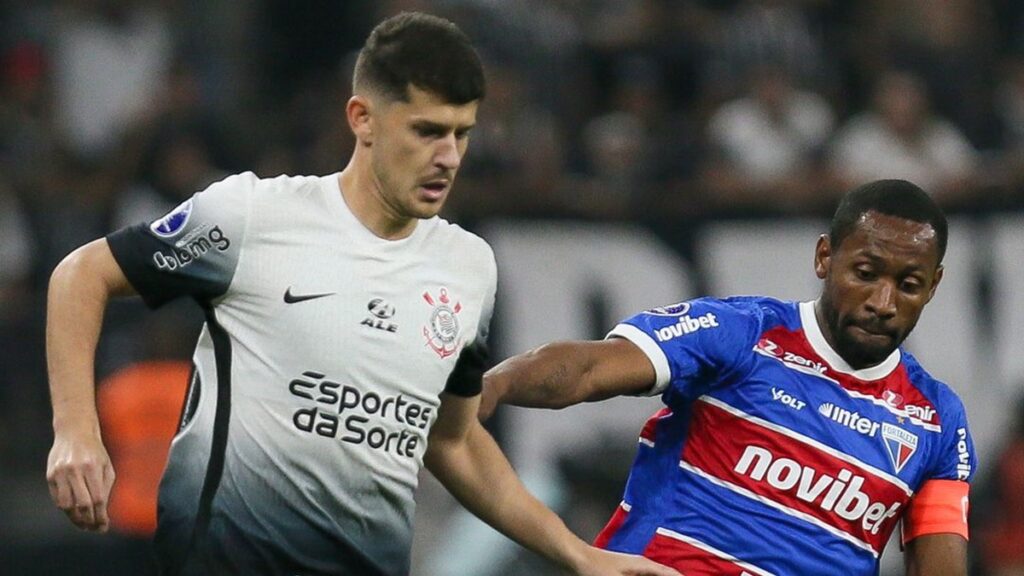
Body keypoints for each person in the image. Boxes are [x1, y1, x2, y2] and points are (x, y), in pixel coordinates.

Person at [44, 12, 678, 576]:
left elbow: (452, 439)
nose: (448, 156)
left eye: (462, 133)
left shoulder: (468, 267)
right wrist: (76, 432)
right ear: (363, 119)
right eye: (427, 130)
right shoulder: (252, 218)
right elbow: (80, 274)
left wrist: (580, 555)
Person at [481, 179, 976, 575]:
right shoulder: (741, 333)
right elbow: (588, 369)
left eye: (908, 285)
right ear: (825, 257)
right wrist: (488, 387)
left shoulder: (937, 419)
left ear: (933, 286)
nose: (883, 303)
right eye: (865, 273)